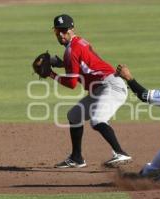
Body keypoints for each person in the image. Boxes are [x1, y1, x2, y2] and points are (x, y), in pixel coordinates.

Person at [49, 14, 132, 168]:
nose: (60, 34)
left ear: (71, 29)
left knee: (97, 120)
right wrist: (63, 64)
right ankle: (76, 157)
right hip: (100, 88)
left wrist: (51, 74)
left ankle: (121, 153)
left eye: (64, 30)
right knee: (74, 115)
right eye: (57, 31)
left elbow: (72, 84)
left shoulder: (71, 50)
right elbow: (83, 63)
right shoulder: (78, 41)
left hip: (111, 86)